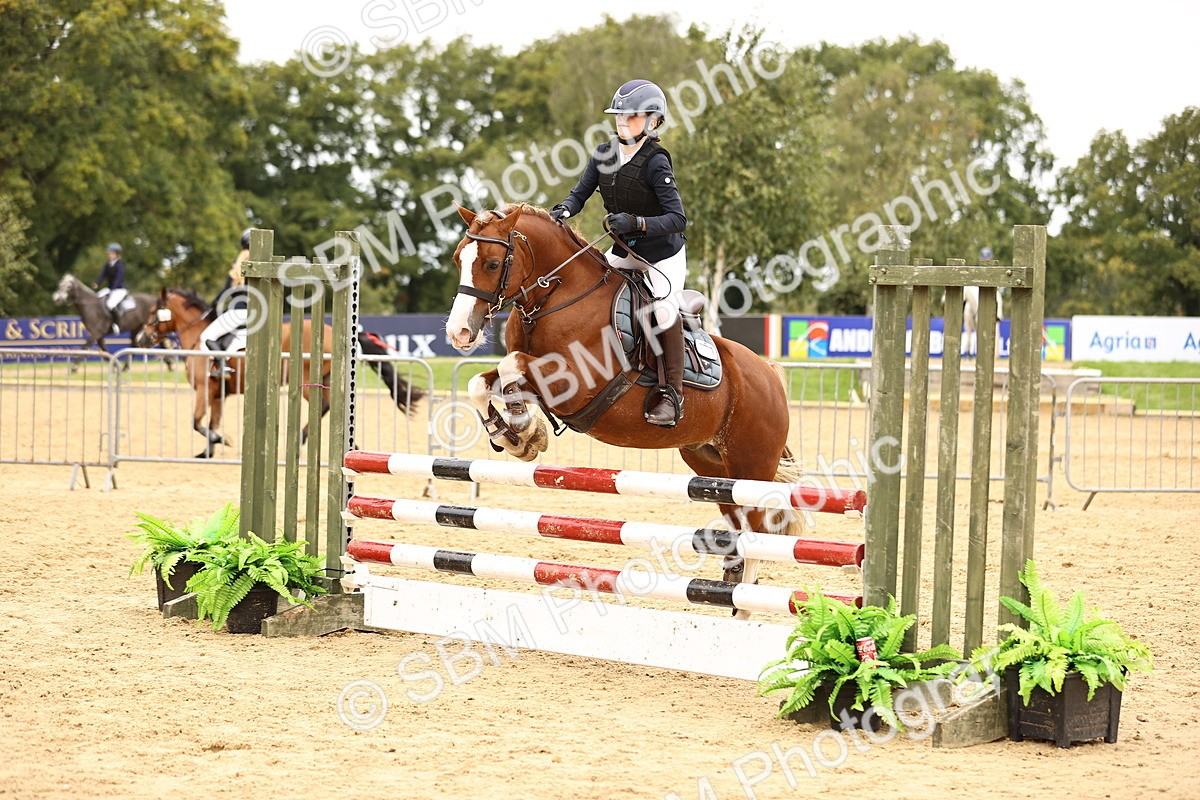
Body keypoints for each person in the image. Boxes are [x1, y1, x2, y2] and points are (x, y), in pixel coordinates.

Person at [550, 79, 688, 427]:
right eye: (619, 115)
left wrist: (637, 222)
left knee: (661, 311)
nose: (623, 120)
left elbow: (677, 218)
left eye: (632, 115)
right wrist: (563, 212)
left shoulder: (656, 162)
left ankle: (672, 393)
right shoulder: (603, 154)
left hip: (662, 256)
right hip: (624, 250)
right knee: (586, 288)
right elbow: (578, 195)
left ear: (653, 120)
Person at [200, 229, 252, 378]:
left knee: (207, 336)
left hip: (238, 312)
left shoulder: (238, 266)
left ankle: (223, 366)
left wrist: (212, 307)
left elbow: (224, 292)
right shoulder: (264, 266)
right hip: (258, 313)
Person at [94, 243, 129, 328]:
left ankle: (116, 324)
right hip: (110, 289)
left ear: (116, 254)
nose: (108, 255)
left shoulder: (120, 264)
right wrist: (97, 283)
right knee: (96, 298)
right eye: (108, 253)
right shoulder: (108, 264)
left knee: (110, 305)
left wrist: (113, 289)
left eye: (110, 253)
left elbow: (119, 278)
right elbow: (103, 275)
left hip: (120, 289)